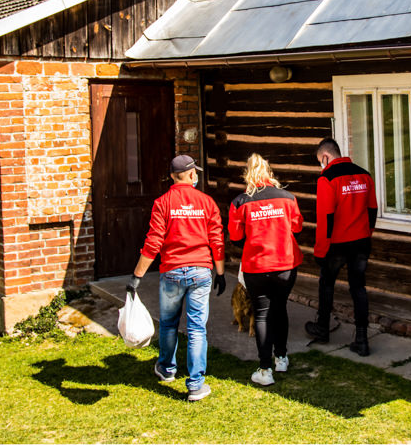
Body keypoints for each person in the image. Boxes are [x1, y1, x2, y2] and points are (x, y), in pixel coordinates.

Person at [125, 154, 225, 402]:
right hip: (201, 271)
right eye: (196, 172)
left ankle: (167, 369)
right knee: (196, 328)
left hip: (171, 272)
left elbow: (153, 242)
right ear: (191, 175)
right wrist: (220, 272)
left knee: (169, 323)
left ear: (172, 176)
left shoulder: (162, 202)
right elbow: (216, 239)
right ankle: (195, 385)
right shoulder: (206, 202)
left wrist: (137, 277)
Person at [228, 153, 303, 386]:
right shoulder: (288, 198)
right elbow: (298, 227)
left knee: (261, 314)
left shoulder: (240, 202)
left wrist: (251, 243)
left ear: (247, 174)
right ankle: (281, 358)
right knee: (280, 310)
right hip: (285, 264)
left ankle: (264, 369)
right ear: (269, 172)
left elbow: (235, 236)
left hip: (257, 265)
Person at [305, 138, 377, 356]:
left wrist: (320, 249)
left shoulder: (327, 178)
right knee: (359, 288)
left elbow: (325, 217)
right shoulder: (365, 174)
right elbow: (372, 209)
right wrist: (367, 233)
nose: (321, 165)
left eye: (320, 161)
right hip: (361, 241)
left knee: (327, 284)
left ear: (325, 157)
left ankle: (323, 329)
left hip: (337, 243)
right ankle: (362, 339)